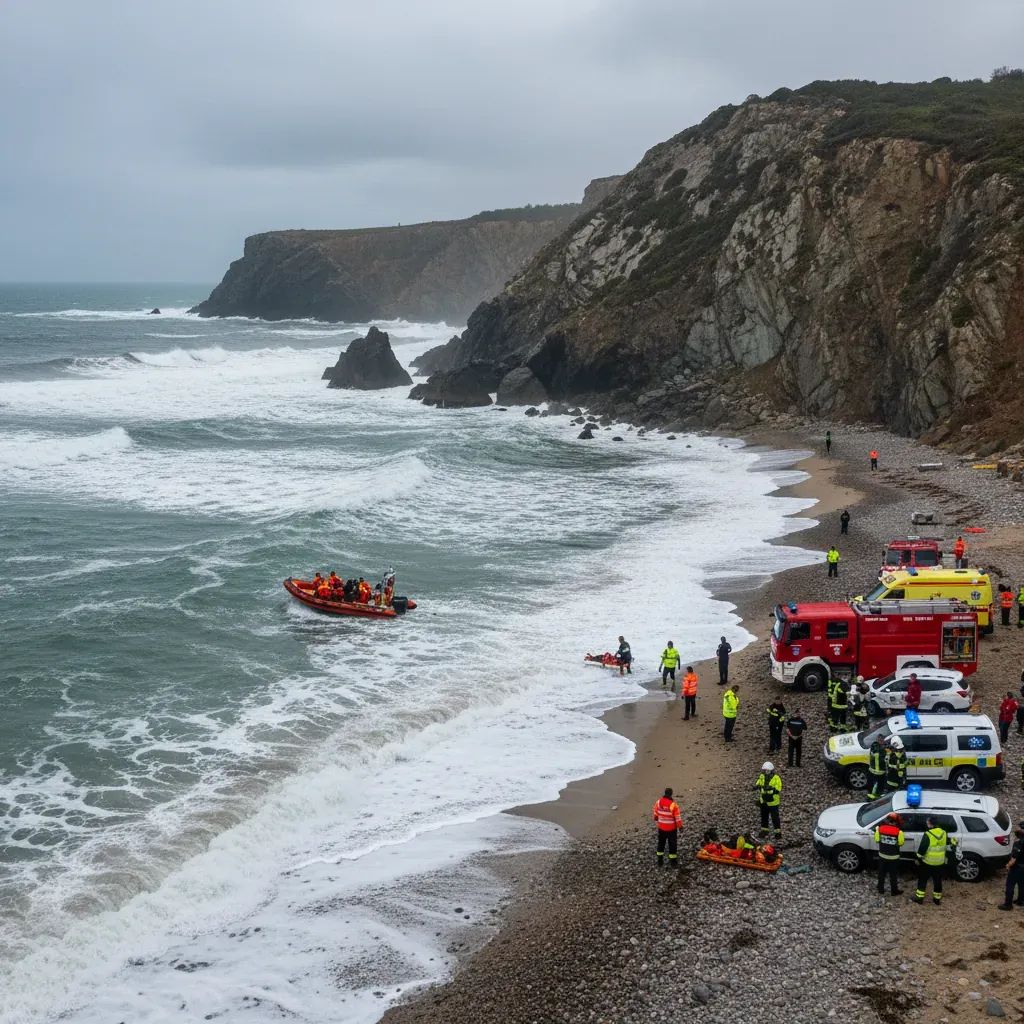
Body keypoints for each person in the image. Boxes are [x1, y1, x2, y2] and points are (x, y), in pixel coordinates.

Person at [914, 816, 956, 905]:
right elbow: (949, 842)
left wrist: (918, 858)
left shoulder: (928, 834)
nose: (926, 824)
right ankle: (937, 900)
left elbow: (922, 848)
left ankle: (919, 898)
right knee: (937, 881)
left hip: (927, 862)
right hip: (939, 862)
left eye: (927, 822)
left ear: (930, 823)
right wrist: (954, 844)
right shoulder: (943, 833)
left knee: (923, 880)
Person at [874, 812, 905, 896]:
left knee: (881, 874)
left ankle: (881, 889)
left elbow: (877, 840)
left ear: (888, 820)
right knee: (893, 875)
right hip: (894, 858)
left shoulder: (880, 829)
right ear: (895, 822)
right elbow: (901, 843)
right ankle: (894, 891)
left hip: (882, 856)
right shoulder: (899, 832)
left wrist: (877, 830)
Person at [652, 787, 683, 868]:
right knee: (672, 844)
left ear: (665, 793)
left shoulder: (658, 802)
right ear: (671, 794)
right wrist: (680, 827)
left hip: (661, 828)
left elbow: (655, 812)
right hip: (671, 829)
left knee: (661, 843)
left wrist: (656, 818)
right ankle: (673, 862)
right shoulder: (673, 805)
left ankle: (660, 860)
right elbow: (677, 818)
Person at [998, 822, 1024, 910]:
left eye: (1018, 828)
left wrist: (1008, 865)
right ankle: (1021, 901)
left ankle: (1008, 905)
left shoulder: (1018, 843)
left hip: (1018, 868)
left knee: (1010, 885)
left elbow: (1013, 859)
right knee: (1022, 884)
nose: (1016, 829)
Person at [755, 761, 782, 840]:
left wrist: (772, 790)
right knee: (764, 816)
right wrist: (756, 787)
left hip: (773, 802)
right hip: (764, 801)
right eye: (765, 770)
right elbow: (758, 783)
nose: (766, 772)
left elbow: (778, 788)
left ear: (771, 770)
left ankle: (777, 832)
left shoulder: (776, 778)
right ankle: (764, 830)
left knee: (775, 817)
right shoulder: (762, 776)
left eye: (767, 770)